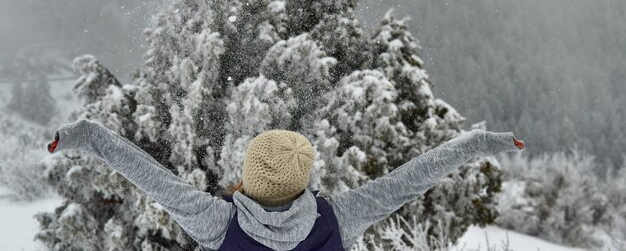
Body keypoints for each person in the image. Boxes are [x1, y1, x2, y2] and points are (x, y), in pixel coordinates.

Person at [48, 119, 525, 250]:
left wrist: (89, 136)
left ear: (250, 177)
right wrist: (473, 145)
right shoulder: (341, 218)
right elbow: (409, 180)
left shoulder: (217, 223)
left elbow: (147, 174)